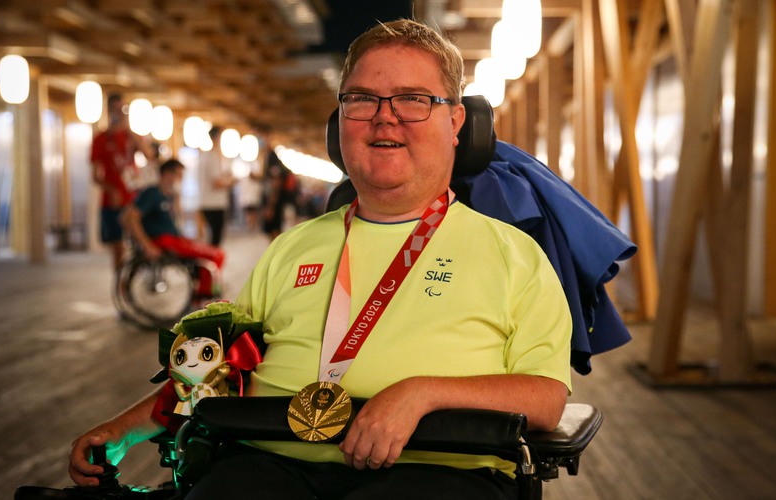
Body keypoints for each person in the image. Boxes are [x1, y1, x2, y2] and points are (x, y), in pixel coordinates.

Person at [69, 20, 572, 500]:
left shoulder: (514, 255)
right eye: (362, 100)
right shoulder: (291, 247)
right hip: (268, 468)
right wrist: (122, 430)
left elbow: (546, 398)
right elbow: (215, 371)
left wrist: (422, 394)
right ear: (341, 123)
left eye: (413, 100)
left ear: (456, 121)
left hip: (437, 471)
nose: (384, 116)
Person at [121, 159, 225, 298]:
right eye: (179, 175)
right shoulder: (152, 193)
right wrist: (147, 245)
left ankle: (204, 288)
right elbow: (129, 218)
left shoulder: (168, 195)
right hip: (163, 241)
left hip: (174, 239)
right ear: (167, 174)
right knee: (216, 255)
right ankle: (203, 293)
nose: (180, 179)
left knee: (213, 253)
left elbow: (178, 217)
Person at [91, 92, 153, 272]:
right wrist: (111, 190)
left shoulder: (131, 136)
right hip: (112, 201)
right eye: (115, 109)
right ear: (108, 110)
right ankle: (121, 283)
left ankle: (136, 276)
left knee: (140, 241)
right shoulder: (100, 139)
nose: (119, 113)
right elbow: (95, 175)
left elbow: (149, 156)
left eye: (122, 109)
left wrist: (131, 133)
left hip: (133, 199)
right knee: (117, 248)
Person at [197, 126, 234, 247]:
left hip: (207, 202)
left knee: (213, 236)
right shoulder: (212, 156)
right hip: (214, 203)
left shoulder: (204, 156)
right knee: (215, 238)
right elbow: (216, 183)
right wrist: (231, 181)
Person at [259, 145, 299, 239]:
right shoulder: (278, 166)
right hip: (278, 203)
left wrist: (270, 206)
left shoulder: (273, 166)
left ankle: (275, 251)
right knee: (275, 230)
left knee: (274, 230)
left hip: (275, 204)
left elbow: (275, 187)